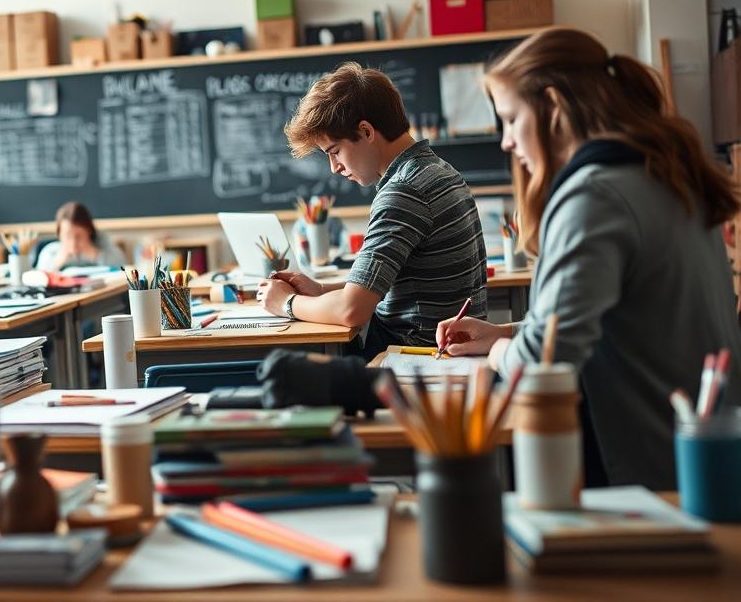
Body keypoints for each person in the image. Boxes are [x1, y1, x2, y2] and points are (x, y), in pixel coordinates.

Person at [435, 27, 741, 489]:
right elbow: (623, 315)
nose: (506, 142)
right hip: (700, 454)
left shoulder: (595, 194)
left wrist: (500, 350)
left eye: (512, 119)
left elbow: (541, 364)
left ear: (554, 108)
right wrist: (503, 331)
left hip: (647, 472)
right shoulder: (663, 171)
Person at [257, 62, 488, 358]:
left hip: (415, 357)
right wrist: (323, 290)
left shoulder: (404, 190)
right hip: (438, 348)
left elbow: (352, 310)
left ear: (366, 131)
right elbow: (394, 280)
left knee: (285, 370)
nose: (335, 168)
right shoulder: (438, 170)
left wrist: (285, 303)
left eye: (335, 151)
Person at [35, 202, 128, 271]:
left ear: (89, 231)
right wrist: (57, 262)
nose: (73, 242)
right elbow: (38, 278)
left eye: (78, 236)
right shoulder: (50, 251)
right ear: (59, 234)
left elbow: (124, 266)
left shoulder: (103, 245)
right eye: (67, 236)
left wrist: (95, 254)